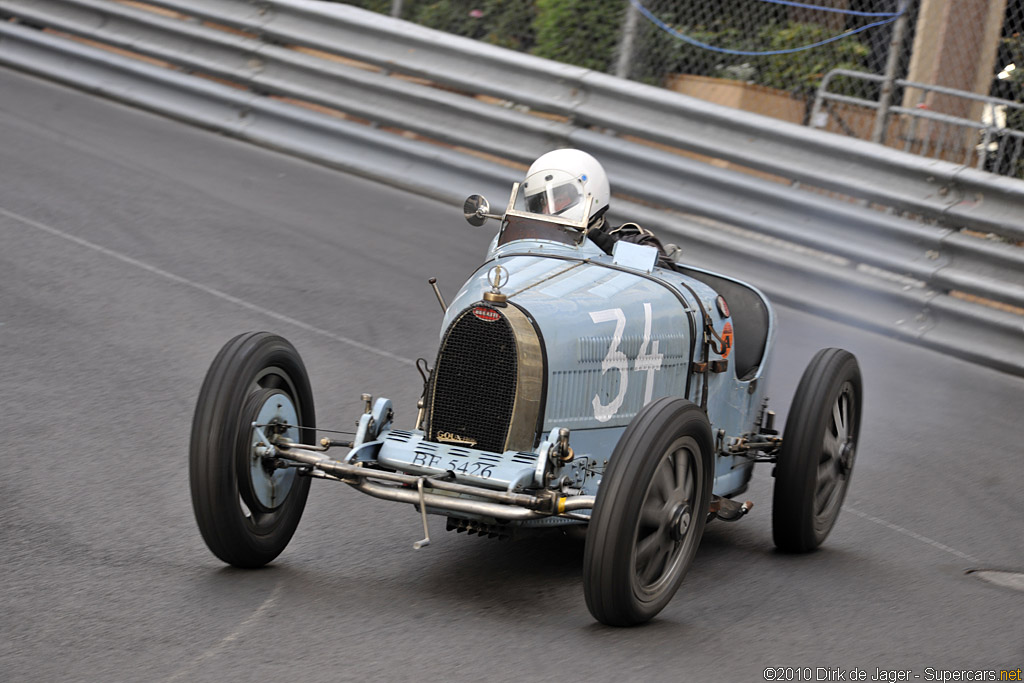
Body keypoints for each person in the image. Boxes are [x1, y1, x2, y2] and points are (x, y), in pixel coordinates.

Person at [521, 148, 670, 259]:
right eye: (541, 204)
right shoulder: (527, 244)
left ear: (589, 192)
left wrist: (614, 251)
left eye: (558, 200)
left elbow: (666, 273)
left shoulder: (631, 240)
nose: (547, 210)